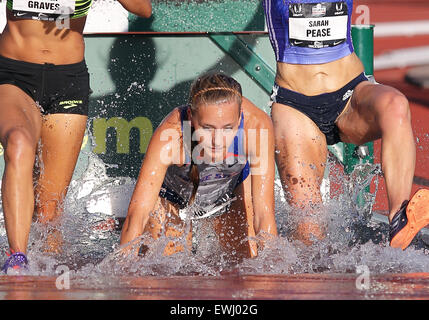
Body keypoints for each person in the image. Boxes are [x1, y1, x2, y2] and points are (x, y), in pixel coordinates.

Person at [0, 0, 152, 272]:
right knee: (19, 144)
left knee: (48, 213)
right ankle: (17, 261)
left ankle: (47, 278)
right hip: (14, 74)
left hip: (68, 81)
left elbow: (144, 9)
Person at [262, 0, 429, 248]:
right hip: (295, 106)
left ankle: (399, 218)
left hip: (351, 93)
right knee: (309, 234)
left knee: (395, 104)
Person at [120, 73, 278, 259]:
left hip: (229, 193)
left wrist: (274, 274)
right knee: (166, 269)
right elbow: (137, 215)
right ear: (191, 117)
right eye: (208, 128)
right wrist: (121, 273)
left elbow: (264, 215)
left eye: (228, 128)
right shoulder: (171, 136)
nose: (217, 141)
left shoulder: (257, 127)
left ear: (240, 116)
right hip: (173, 197)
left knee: (246, 263)